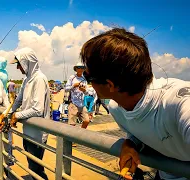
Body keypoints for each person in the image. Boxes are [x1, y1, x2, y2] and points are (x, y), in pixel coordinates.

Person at [80, 28, 190, 180]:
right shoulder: (116, 108)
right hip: (165, 175)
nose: (88, 81)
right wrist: (130, 143)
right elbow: (138, 128)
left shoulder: (178, 103)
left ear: (110, 85)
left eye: (87, 76)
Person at [8, 47, 50, 180]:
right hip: (28, 131)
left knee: (36, 168)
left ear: (27, 62)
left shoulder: (39, 79)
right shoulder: (27, 79)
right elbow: (19, 99)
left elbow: (38, 109)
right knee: (32, 165)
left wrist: (17, 116)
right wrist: (9, 112)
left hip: (37, 134)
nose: (17, 68)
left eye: (19, 64)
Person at [65, 62, 90, 129]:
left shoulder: (84, 79)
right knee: (72, 124)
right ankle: (70, 137)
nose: (80, 69)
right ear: (76, 69)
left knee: (86, 120)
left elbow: (87, 93)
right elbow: (66, 89)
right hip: (73, 103)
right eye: (79, 67)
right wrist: (73, 86)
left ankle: (80, 133)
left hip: (82, 104)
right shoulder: (72, 78)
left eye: (82, 68)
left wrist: (84, 90)